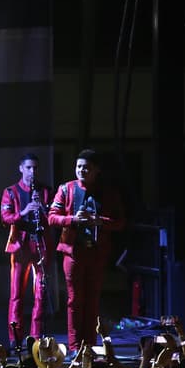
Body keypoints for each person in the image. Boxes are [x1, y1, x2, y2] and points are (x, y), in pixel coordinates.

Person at [48, 149, 125, 351]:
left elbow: (120, 222)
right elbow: (51, 217)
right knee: (74, 299)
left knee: (92, 299)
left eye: (87, 167)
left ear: (97, 170)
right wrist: (73, 219)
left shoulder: (108, 193)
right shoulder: (66, 189)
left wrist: (99, 221)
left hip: (97, 253)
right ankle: (74, 347)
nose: (82, 170)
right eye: (79, 166)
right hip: (73, 252)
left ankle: (89, 345)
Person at [0, 153, 52, 344]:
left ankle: (36, 337)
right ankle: (15, 338)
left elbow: (53, 217)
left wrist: (42, 208)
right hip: (20, 245)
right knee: (17, 294)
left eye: (35, 168)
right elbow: (5, 218)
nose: (32, 172)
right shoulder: (11, 192)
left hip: (40, 244)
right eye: (28, 168)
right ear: (21, 168)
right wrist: (23, 212)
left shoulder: (45, 191)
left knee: (40, 292)